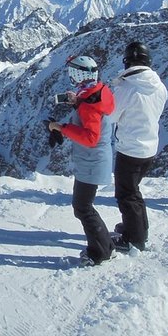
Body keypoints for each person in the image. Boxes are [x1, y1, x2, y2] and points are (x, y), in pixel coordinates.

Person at [47, 55, 116, 266]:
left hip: (91, 161)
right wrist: (78, 102)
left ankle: (100, 252)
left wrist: (62, 128)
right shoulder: (99, 91)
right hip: (95, 159)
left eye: (72, 73)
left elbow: (90, 137)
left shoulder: (89, 104)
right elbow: (93, 112)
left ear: (78, 74)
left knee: (82, 207)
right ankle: (106, 246)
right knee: (84, 205)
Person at [106, 41, 168, 252]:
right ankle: (139, 228)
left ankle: (134, 239)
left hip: (130, 148)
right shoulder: (160, 85)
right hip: (150, 147)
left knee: (126, 194)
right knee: (134, 191)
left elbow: (112, 115)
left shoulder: (127, 87)